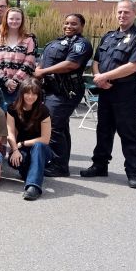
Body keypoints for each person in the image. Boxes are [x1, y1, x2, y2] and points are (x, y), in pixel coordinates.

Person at [81, 1, 136, 189]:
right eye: (119, 12)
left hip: (125, 91)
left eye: (126, 12)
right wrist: (99, 78)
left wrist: (104, 76)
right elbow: (96, 61)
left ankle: (133, 171)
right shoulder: (108, 36)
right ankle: (100, 165)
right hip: (105, 89)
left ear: (134, 14)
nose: (122, 15)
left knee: (128, 132)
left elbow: (133, 66)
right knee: (103, 129)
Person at [34, 13, 93, 177]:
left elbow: (71, 64)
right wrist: (39, 70)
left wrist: (43, 71)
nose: (69, 26)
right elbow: (44, 60)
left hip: (66, 91)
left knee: (53, 127)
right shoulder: (56, 42)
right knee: (61, 127)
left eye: (74, 24)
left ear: (82, 26)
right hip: (51, 89)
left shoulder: (81, 44)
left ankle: (59, 166)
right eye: (66, 23)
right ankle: (59, 162)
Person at [6, 79, 52, 200]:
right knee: (16, 161)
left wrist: (22, 143)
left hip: (41, 149)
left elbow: (45, 139)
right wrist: (15, 150)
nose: (30, 97)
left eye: (34, 93)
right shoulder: (12, 108)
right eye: (27, 93)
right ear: (21, 93)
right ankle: (32, 173)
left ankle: (33, 187)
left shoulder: (43, 110)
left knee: (38, 146)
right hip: (21, 149)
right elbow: (10, 133)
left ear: (38, 95)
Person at [0, 7, 37, 108]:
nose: (14, 21)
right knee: (2, 114)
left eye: (17, 19)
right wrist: (6, 81)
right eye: (11, 18)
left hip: (22, 86)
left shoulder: (29, 39)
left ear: (22, 20)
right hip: (1, 86)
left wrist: (15, 81)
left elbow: (29, 62)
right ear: (6, 19)